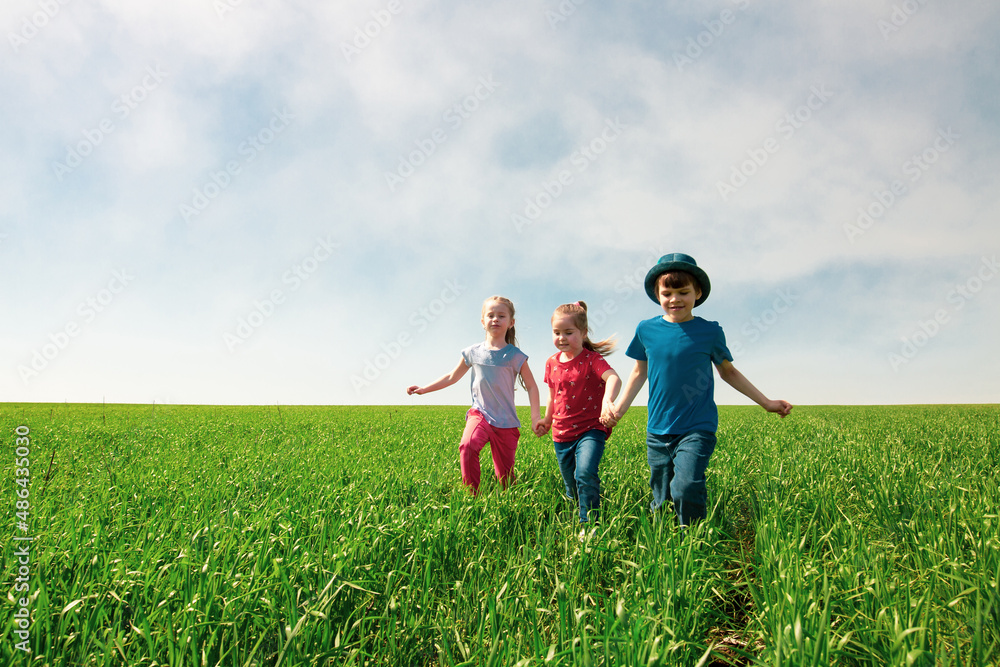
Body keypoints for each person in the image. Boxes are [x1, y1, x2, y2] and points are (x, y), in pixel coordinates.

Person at [606, 253, 792, 527]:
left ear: (698, 293)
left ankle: (692, 539)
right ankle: (662, 539)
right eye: (667, 293)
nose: (675, 299)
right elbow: (638, 372)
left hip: (697, 426)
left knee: (685, 485)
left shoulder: (709, 331)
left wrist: (766, 402)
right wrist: (619, 410)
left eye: (683, 292)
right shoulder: (646, 330)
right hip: (657, 429)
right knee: (660, 494)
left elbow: (728, 371)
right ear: (658, 295)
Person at [408, 296, 542, 495]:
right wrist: (424, 389)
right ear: (482, 321)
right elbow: (451, 377)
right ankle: (472, 496)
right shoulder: (472, 352)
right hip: (479, 414)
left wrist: (535, 418)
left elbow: (532, 387)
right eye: (490, 315)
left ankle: (509, 503)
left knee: (506, 478)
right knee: (467, 446)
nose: (495, 319)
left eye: (501, 316)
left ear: (511, 323)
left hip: (506, 422)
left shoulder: (515, 355)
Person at [535, 301, 621, 526]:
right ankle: (575, 512)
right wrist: (547, 419)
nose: (561, 337)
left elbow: (613, 378)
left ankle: (589, 524)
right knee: (571, 484)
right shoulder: (551, 363)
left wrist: (607, 402)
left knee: (584, 473)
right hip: (561, 432)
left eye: (568, 332)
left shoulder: (592, 360)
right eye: (556, 332)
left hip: (592, 429)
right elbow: (553, 396)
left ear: (583, 333)